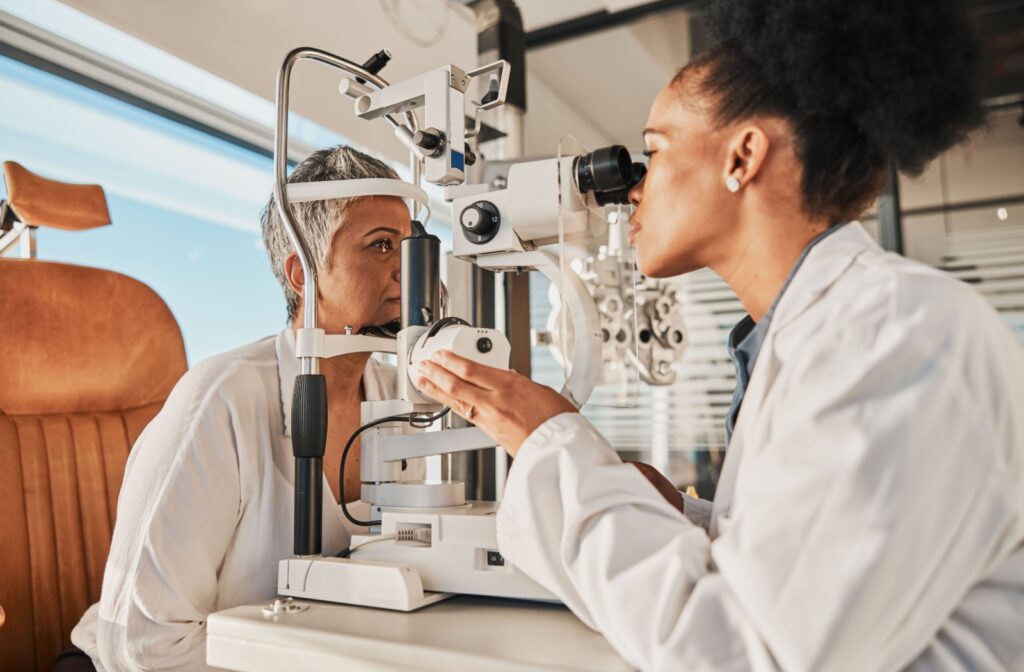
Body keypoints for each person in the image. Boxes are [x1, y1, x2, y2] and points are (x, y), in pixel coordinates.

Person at [418, 1, 1024, 669]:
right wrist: (679, 511)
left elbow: (743, 651)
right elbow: (804, 563)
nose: (631, 191)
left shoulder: (896, 335)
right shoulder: (813, 335)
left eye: (653, 151)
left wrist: (549, 444)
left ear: (743, 156)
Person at [69, 146, 421, 670]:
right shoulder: (220, 399)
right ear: (302, 274)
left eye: (412, 247)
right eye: (381, 246)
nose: (407, 270)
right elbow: (143, 647)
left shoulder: (402, 396)